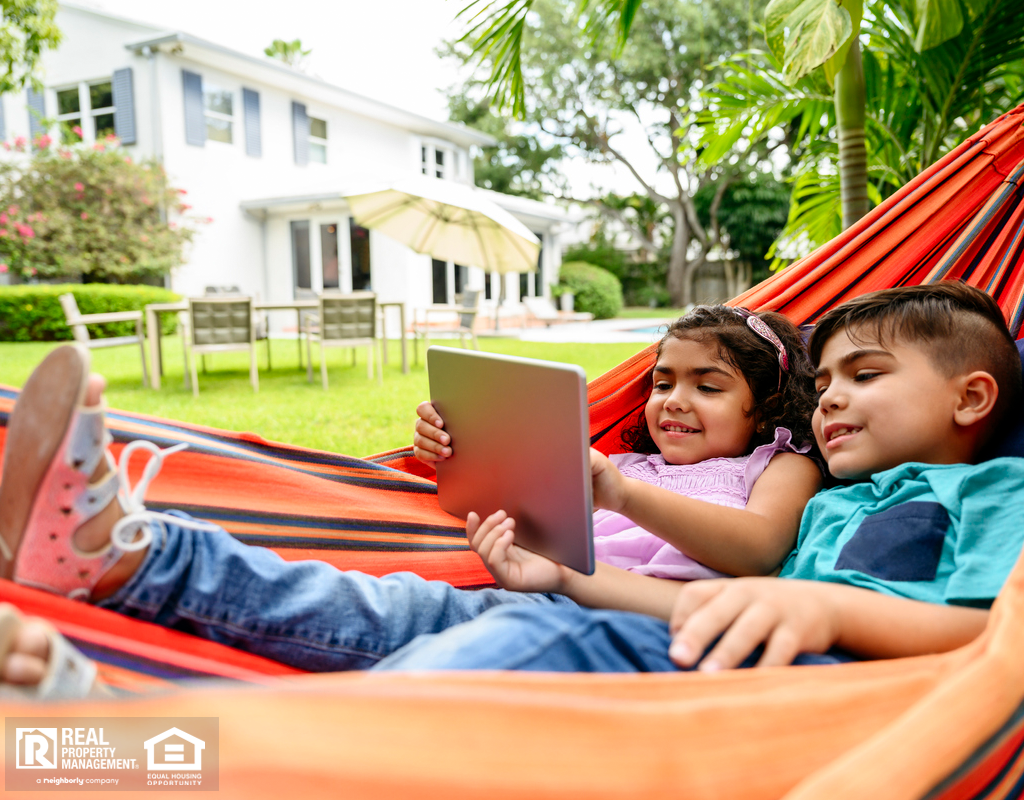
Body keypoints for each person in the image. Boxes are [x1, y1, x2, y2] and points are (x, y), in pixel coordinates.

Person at [0, 306, 821, 691]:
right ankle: (131, 553)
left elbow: (758, 552)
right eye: (664, 382)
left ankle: (118, 718)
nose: (673, 400)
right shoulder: (629, 460)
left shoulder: (780, 464)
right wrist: (450, 451)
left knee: (402, 674)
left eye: (707, 387)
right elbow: (519, 504)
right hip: (519, 589)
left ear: (764, 406)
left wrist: (613, 493)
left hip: (624, 633)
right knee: (344, 602)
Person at [375, 282, 1024, 673]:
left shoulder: (993, 491)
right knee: (430, 607)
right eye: (822, 382)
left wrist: (829, 609)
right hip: (720, 652)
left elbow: (1002, 636)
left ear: (970, 399)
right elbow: (714, 607)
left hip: (823, 690)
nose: (827, 398)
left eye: (866, 375)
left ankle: (298, 744)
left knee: (527, 636)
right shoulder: (834, 506)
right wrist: (565, 575)